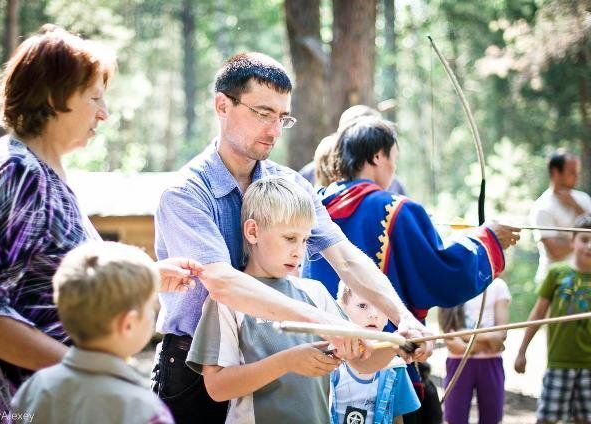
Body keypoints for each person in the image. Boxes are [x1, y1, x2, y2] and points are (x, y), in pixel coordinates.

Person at [152, 52, 433, 423]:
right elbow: (222, 283)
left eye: (282, 118)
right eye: (263, 113)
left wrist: (403, 319)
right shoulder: (185, 194)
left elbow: (346, 258)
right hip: (196, 367)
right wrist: (324, 322)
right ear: (222, 105)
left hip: (279, 351)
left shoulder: (291, 185)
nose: (274, 131)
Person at [0, 26, 200, 422]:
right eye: (94, 98)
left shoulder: (47, 170)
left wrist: (145, 278)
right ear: (54, 96)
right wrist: (88, 375)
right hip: (12, 407)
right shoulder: (17, 173)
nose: (104, 113)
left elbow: (47, 278)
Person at [301, 116, 520, 423]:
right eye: (393, 157)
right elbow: (442, 272)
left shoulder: (316, 206)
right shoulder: (396, 210)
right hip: (384, 370)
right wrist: (487, 240)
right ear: (378, 156)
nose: (394, 167)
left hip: (319, 369)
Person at [186, 176, 397, 423]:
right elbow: (217, 387)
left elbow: (363, 362)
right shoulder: (226, 298)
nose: (299, 251)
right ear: (253, 232)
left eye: (305, 240)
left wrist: (400, 344)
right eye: (289, 238)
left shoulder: (316, 293)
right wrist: (287, 362)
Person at [12, 241, 173, 423]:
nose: (153, 313)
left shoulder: (34, 388)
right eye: (151, 307)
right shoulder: (146, 409)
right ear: (128, 324)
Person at [514, 214, 591, 424]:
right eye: (584, 239)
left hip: (590, 366)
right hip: (559, 363)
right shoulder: (557, 273)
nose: (589, 246)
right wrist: (522, 351)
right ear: (572, 241)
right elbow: (538, 314)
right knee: (547, 419)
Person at [332, 280, 421, 424]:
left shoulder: (395, 367)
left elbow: (397, 418)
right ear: (341, 308)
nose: (374, 314)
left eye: (381, 307)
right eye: (362, 306)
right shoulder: (328, 362)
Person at [439, 277, 511, 424]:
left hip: (491, 362)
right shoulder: (451, 281)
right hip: (458, 362)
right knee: (454, 417)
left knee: (492, 417)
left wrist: (465, 342)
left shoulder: (498, 285)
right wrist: (489, 339)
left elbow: (501, 335)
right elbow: (449, 334)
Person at [530, 150, 591, 284]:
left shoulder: (584, 199)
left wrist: (576, 208)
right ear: (555, 172)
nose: (577, 176)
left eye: (577, 172)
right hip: (554, 284)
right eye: (572, 172)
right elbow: (556, 252)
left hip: (585, 281)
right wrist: (584, 238)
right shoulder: (542, 207)